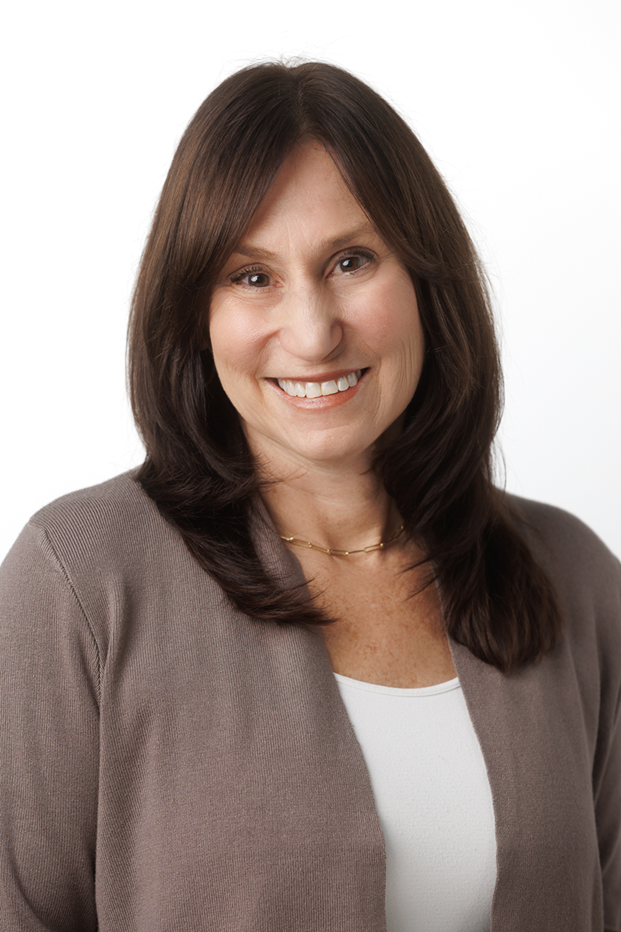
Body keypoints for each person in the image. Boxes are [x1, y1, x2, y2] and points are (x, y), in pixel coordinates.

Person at [1, 61, 619, 932]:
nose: (312, 331)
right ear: (193, 311)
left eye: (350, 260)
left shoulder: (575, 579)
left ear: (424, 280)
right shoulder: (78, 581)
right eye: (251, 276)